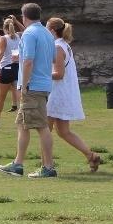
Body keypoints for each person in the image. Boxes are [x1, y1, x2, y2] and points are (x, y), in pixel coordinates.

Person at [0, 2, 57, 178]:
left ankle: (48, 167)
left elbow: (28, 60)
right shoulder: (47, 33)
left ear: (24, 16)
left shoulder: (29, 34)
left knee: (41, 126)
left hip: (33, 86)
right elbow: (52, 57)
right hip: (44, 84)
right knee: (23, 124)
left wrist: (24, 84)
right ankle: (18, 163)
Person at [45, 17, 101, 172]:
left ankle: (46, 166)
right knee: (63, 132)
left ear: (51, 31)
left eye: (46, 28)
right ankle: (91, 155)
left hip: (56, 94)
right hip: (62, 93)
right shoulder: (64, 45)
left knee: (45, 131)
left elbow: (59, 74)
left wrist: (40, 74)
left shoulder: (57, 47)